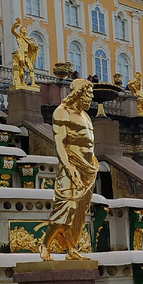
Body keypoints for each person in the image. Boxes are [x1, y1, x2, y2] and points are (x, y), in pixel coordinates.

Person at [39, 79, 97, 261]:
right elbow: (59, 143)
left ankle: (71, 248)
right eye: (88, 95)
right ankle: (45, 244)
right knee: (67, 206)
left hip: (88, 168)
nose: (90, 99)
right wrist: (69, 168)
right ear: (78, 94)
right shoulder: (62, 112)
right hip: (70, 165)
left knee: (80, 210)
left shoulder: (86, 116)